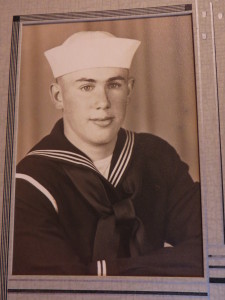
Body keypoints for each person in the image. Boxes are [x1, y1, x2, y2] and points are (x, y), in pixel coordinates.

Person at [13, 31, 203, 277]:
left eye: (114, 84)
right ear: (58, 96)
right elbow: (61, 288)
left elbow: (213, 248)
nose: (102, 102)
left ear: (129, 89)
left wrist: (98, 272)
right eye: (86, 86)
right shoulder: (30, 182)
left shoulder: (156, 157)